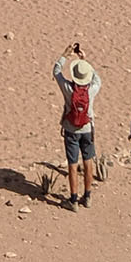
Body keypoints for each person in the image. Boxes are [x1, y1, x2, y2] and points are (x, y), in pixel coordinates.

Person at [53, 44, 101, 209]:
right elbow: (97, 79)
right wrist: (84, 61)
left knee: (72, 164)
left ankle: (73, 200)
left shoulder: (67, 89)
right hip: (87, 129)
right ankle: (87, 196)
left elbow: (56, 72)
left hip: (71, 129)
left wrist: (65, 55)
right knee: (88, 162)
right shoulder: (91, 91)